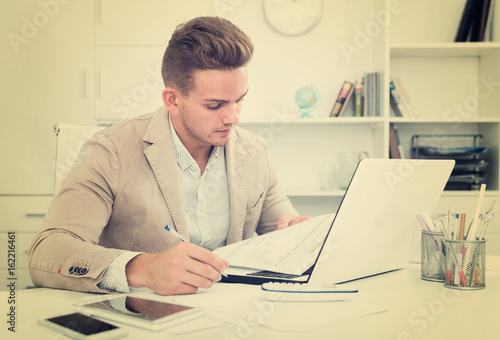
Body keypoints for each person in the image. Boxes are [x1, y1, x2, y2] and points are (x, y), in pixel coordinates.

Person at [28, 16, 309, 296]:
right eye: (215, 105)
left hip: (232, 318)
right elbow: (48, 251)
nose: (233, 117)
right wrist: (143, 269)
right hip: (141, 316)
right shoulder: (110, 150)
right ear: (172, 100)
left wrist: (302, 236)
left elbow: (286, 233)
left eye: (239, 100)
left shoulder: (255, 152)